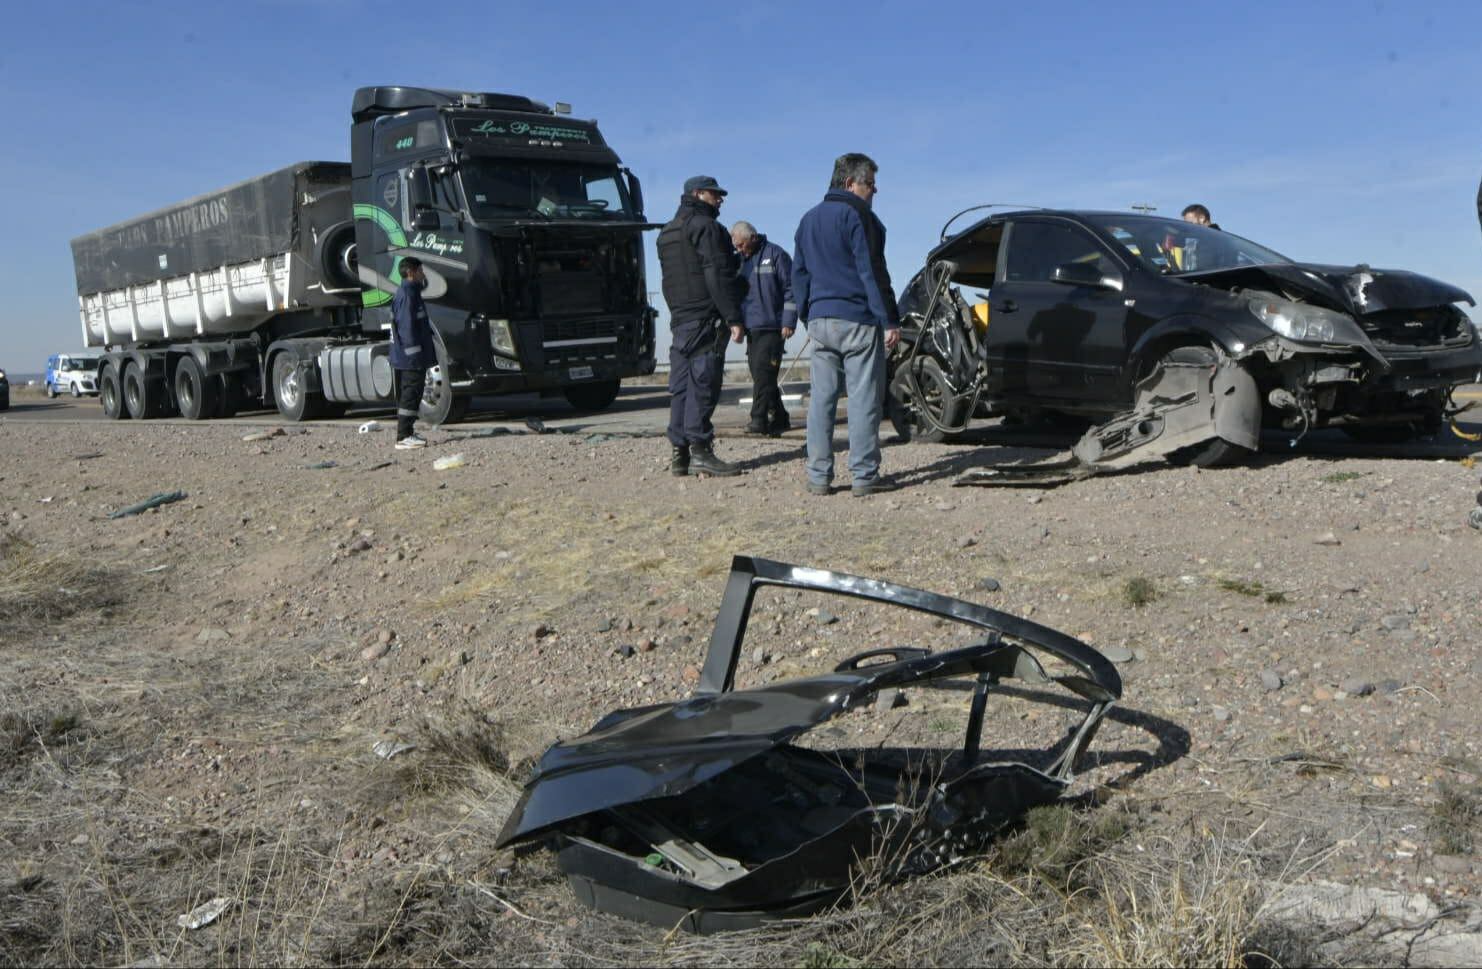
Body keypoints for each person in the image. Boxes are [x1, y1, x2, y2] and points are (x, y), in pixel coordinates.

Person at [792, 153, 901, 497]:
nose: (874, 190)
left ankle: (818, 477)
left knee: (821, 401)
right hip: (857, 318)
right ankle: (864, 475)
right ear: (850, 183)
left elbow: (799, 274)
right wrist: (889, 318)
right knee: (862, 399)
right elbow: (872, 270)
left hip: (821, 320)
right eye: (870, 183)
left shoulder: (807, 220)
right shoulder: (859, 216)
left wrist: (808, 314)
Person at [656, 175, 746, 477]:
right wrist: (733, 317)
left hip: (681, 318)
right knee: (703, 383)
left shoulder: (667, 233)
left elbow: (668, 281)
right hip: (704, 317)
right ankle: (700, 451)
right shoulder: (707, 228)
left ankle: (679, 454)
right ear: (697, 194)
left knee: (680, 387)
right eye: (714, 194)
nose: (720, 199)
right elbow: (717, 275)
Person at [732, 220, 797, 436]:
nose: (739, 250)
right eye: (736, 247)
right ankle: (780, 417)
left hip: (773, 327)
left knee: (763, 374)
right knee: (762, 376)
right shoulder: (740, 261)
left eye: (741, 245)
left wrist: (788, 321)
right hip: (752, 328)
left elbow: (791, 289)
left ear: (752, 238)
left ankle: (758, 420)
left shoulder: (776, 255)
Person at [390, 256, 436, 450]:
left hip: (412, 355)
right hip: (410, 356)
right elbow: (407, 328)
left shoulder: (411, 293)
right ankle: (403, 436)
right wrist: (415, 355)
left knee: (413, 392)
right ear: (410, 272)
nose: (422, 274)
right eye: (420, 270)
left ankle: (407, 433)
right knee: (411, 392)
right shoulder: (407, 294)